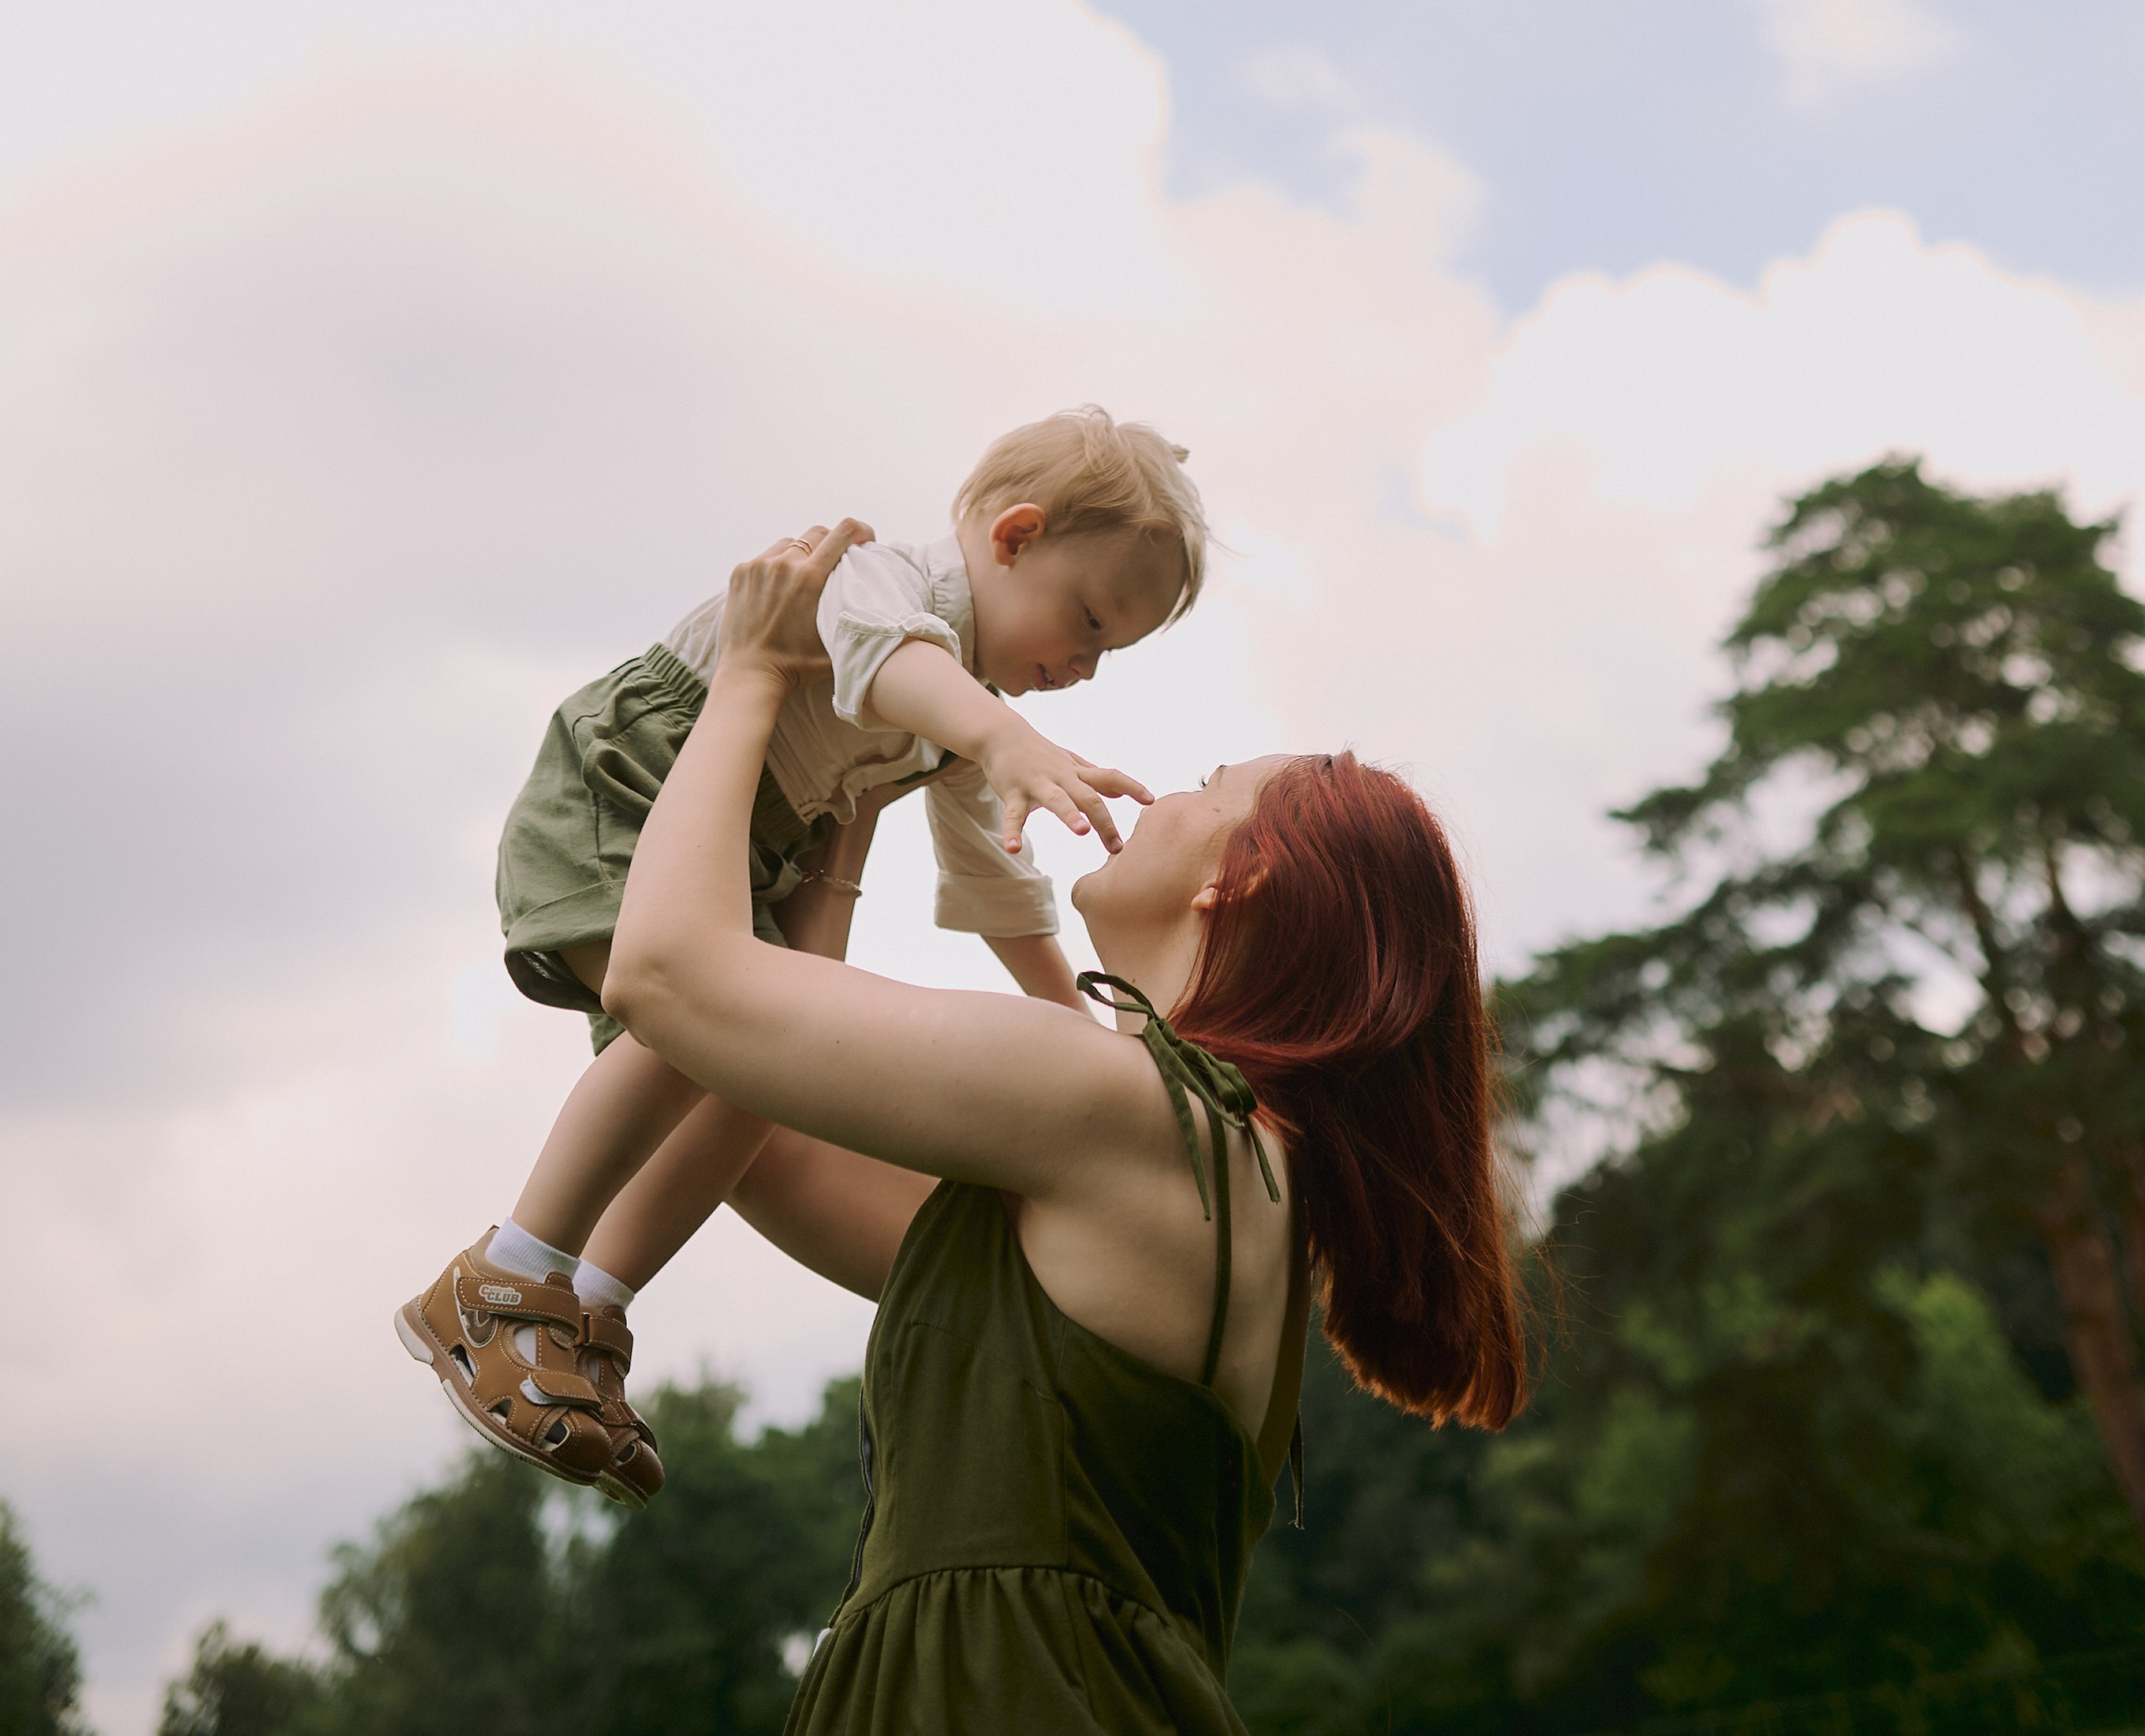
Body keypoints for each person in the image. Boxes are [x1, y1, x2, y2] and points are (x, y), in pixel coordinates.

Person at [602, 521, 1530, 1736]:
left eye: (1208, 789)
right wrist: (850, 814)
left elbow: (667, 975)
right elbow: (762, 1127)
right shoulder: (1226, 1167)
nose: (1166, 790)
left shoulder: (1119, 1106)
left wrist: (753, 674)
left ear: (1234, 880)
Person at [397, 410, 1205, 1504]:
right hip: (632, 782)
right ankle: (506, 1273)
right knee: (708, 1025)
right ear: (1013, 537)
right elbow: (883, 657)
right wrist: (1005, 737)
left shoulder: (962, 716)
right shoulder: (884, 578)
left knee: (765, 1076)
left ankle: (590, 1305)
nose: (1085, 668)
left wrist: (1085, 1022)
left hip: (749, 846)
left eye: (1111, 651)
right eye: (1091, 620)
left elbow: (998, 879)